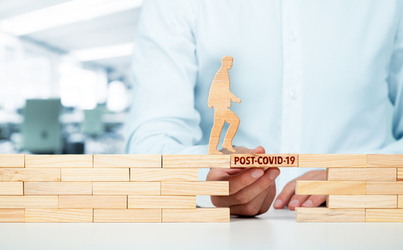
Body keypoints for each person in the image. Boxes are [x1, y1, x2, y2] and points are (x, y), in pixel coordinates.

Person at [125, 0, 403, 216]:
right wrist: (208, 181)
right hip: (222, 236)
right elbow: (148, 147)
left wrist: (369, 174)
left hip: (368, 227)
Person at [208, 55, 241, 154]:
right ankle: (225, 143)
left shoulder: (223, 73)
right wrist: (234, 98)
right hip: (220, 106)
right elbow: (221, 90)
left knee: (218, 126)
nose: (231, 64)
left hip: (219, 105)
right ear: (226, 63)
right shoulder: (222, 74)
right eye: (230, 62)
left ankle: (213, 148)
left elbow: (214, 87)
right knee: (235, 121)